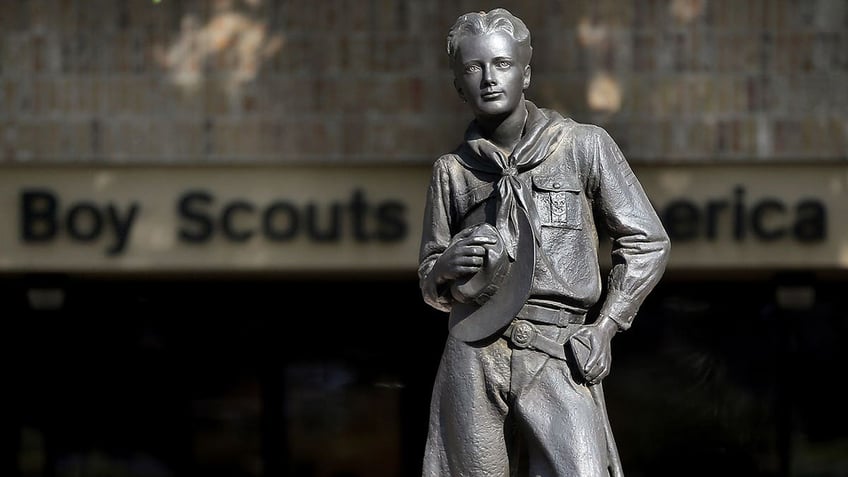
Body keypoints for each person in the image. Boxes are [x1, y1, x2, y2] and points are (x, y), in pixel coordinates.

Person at [417, 8, 671, 477]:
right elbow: (430, 281)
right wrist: (443, 266)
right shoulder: (451, 172)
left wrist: (606, 326)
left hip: (557, 346)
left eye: (502, 64)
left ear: (526, 73)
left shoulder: (582, 146)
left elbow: (647, 241)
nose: (489, 79)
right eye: (473, 69)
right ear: (457, 86)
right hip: (475, 350)